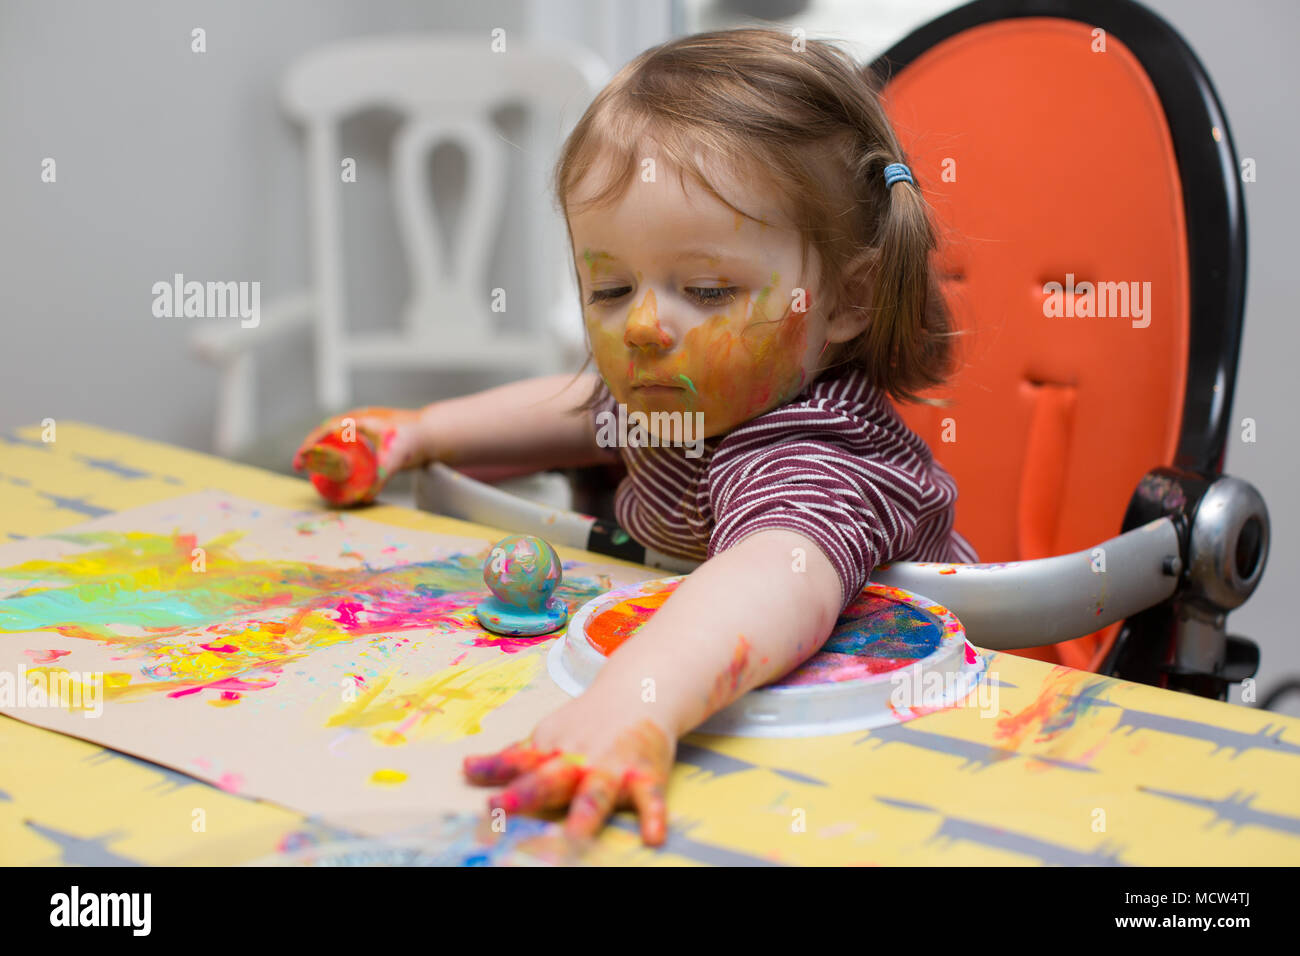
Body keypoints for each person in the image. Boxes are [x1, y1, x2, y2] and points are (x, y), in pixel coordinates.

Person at [293, 27, 976, 848]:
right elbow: (582, 412)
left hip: (911, 755)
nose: (646, 324)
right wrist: (420, 432)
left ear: (844, 300)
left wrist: (634, 701)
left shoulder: (815, 454)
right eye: (611, 287)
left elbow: (774, 576)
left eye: (707, 288)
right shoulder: (700, 398)